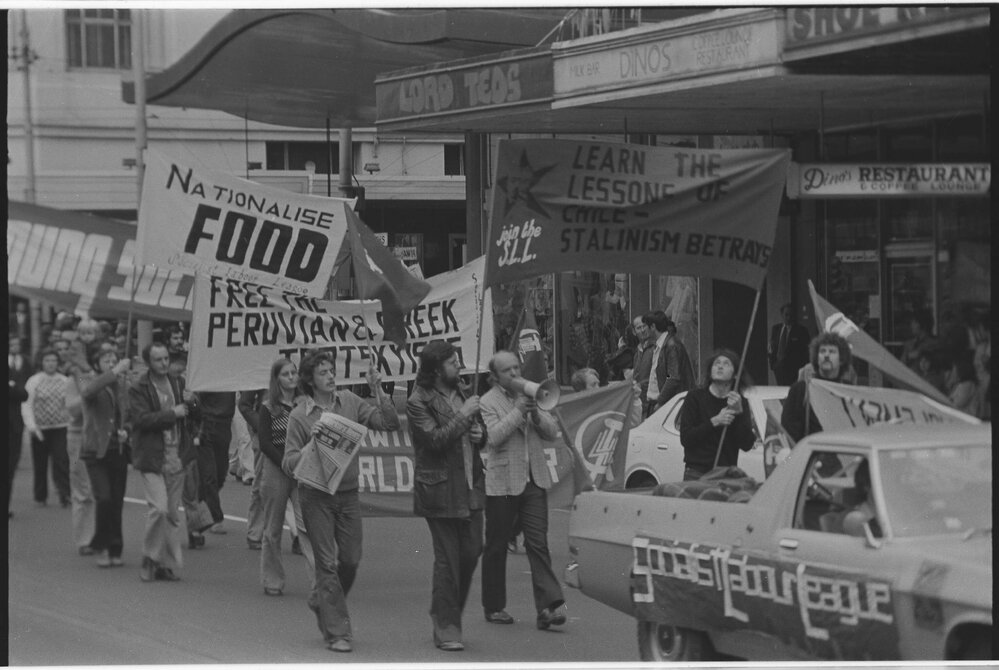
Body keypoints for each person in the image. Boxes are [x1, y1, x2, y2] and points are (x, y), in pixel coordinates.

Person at [282, 350, 400, 653]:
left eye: (332, 370)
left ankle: (320, 599)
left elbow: (387, 423)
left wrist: (377, 389)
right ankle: (338, 633)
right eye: (323, 372)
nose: (331, 376)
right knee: (325, 563)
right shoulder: (299, 416)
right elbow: (288, 462)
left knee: (350, 559)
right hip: (316, 496)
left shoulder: (349, 401)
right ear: (310, 380)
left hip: (347, 493)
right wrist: (311, 442)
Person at [406, 340, 487, 652]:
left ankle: (444, 611)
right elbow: (435, 440)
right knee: (447, 561)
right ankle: (447, 626)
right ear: (436, 369)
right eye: (453, 363)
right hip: (439, 488)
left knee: (471, 552)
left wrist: (481, 435)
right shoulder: (418, 400)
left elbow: (476, 432)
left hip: (470, 485)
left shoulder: (463, 392)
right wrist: (466, 416)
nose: (459, 367)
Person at [479, 350, 567, 631]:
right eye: (508, 371)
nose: (516, 374)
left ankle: (547, 607)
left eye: (517, 367)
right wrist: (518, 411)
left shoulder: (532, 393)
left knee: (538, 543)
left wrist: (537, 415)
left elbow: (552, 432)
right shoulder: (487, 401)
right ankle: (494, 606)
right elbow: (492, 437)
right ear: (495, 377)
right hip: (503, 482)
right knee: (496, 546)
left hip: (533, 480)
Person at [130, 342, 198, 583]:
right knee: (158, 509)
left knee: (171, 514)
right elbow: (140, 419)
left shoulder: (178, 382)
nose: (164, 363)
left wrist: (193, 402)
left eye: (166, 358)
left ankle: (164, 565)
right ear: (149, 362)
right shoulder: (139, 386)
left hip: (176, 455)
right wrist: (172, 414)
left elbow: (194, 414)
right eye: (158, 359)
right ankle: (150, 557)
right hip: (152, 456)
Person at [257, 359, 311, 596]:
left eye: (294, 373)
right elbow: (265, 443)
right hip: (276, 469)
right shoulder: (268, 407)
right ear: (276, 379)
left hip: (302, 468)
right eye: (285, 374)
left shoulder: (306, 404)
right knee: (273, 529)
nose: (291, 377)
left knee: (308, 526)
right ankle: (272, 580)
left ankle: (320, 581)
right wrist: (285, 463)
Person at [80, 344, 132, 567]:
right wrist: (114, 372)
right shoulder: (92, 381)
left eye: (114, 360)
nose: (111, 363)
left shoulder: (124, 386)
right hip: (96, 452)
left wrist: (126, 431)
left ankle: (115, 547)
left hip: (117, 451)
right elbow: (87, 393)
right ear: (97, 364)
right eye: (106, 361)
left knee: (117, 502)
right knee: (104, 498)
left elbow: (131, 415)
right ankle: (101, 545)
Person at [678, 349, 756, 481]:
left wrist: (739, 414)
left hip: (726, 475)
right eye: (716, 363)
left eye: (726, 364)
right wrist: (714, 422)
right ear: (710, 371)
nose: (720, 366)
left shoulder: (739, 402)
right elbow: (686, 438)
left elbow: (747, 444)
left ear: (735, 374)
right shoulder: (694, 397)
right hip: (696, 473)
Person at [781, 332, 853, 443]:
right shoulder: (801, 390)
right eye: (822, 351)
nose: (826, 355)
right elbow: (788, 434)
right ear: (816, 358)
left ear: (842, 359)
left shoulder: (849, 391)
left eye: (832, 351)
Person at [23, 348, 72, 508]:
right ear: (41, 363)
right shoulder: (34, 381)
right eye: (47, 360)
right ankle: (40, 495)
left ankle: (65, 493)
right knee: (40, 464)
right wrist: (31, 426)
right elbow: (27, 405)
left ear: (58, 363)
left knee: (61, 461)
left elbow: (70, 404)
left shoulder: (65, 381)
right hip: (40, 429)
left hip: (60, 427)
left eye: (53, 361)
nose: (51, 364)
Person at [194, 390, 237, 534]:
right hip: (207, 424)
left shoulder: (230, 375)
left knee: (220, 475)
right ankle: (216, 518)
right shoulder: (207, 374)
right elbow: (196, 397)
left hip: (225, 426)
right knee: (209, 476)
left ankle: (198, 506)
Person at [643, 311, 694, 416]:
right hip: (662, 404)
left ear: (652, 327)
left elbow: (672, 376)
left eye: (645, 326)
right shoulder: (661, 345)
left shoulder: (671, 345)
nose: (643, 330)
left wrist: (661, 402)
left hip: (669, 406)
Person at [239, 387, 268, 551]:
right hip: (265, 433)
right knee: (262, 483)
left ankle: (299, 534)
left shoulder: (295, 368)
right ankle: (255, 533)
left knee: (296, 486)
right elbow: (244, 404)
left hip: (292, 430)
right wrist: (262, 425)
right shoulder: (259, 369)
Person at [8, 334, 32, 518]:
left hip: (14, 423)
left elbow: (24, 393)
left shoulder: (24, 362)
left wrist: (13, 387)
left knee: (9, 468)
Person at [768, 303, 810, 385]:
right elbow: (772, 346)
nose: (788, 318)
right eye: (786, 315)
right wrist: (773, 363)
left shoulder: (801, 330)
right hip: (778, 368)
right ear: (782, 315)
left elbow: (805, 352)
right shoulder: (776, 329)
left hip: (794, 370)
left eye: (791, 315)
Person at [631, 315, 655, 417]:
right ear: (634, 331)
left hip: (653, 401)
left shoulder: (655, 348)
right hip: (640, 402)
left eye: (644, 326)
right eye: (639, 328)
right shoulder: (637, 352)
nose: (642, 330)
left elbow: (668, 375)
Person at [946, 350, 981, 418]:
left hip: (966, 418)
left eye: (954, 370)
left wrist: (950, 399)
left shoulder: (967, 385)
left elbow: (958, 403)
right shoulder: (960, 384)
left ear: (961, 371)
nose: (953, 372)